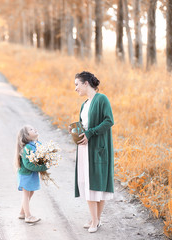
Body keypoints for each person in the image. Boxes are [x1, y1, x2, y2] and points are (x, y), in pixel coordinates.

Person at [69, 71, 114, 233]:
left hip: (97, 148)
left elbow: (109, 121)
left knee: (96, 185)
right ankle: (96, 219)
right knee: (88, 183)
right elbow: (84, 125)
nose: (75, 88)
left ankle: (95, 221)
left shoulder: (102, 99)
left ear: (86, 83)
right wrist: (77, 131)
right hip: (84, 148)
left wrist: (90, 133)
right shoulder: (84, 104)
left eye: (77, 84)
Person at [15, 125, 48, 223]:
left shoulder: (37, 143)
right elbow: (28, 165)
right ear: (26, 135)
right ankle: (28, 216)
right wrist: (43, 167)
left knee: (31, 192)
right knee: (26, 194)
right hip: (26, 174)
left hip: (32, 173)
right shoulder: (27, 148)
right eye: (31, 129)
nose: (35, 129)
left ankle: (22, 213)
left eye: (34, 128)